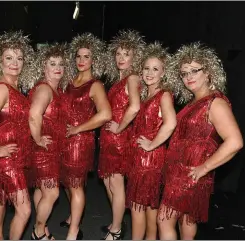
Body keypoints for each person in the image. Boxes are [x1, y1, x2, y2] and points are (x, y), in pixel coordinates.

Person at [158, 42, 243, 240]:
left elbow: (235, 141)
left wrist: (204, 168)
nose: (188, 77)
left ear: (209, 72)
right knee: (186, 220)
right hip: (183, 171)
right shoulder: (196, 101)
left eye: (194, 71)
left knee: (164, 219)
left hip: (190, 173)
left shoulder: (215, 103)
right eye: (184, 73)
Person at [0, 31, 35, 240]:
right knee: (24, 210)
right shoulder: (3, 88)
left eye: (19, 58)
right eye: (9, 58)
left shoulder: (14, 87)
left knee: (1, 199)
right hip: (6, 159)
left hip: (12, 156)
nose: (15, 63)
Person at [60, 33, 112, 240]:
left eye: (86, 56)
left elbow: (106, 114)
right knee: (66, 181)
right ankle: (74, 217)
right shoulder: (70, 81)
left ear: (94, 59)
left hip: (80, 141)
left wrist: (77, 129)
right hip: (64, 139)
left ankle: (74, 232)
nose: (81, 61)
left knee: (75, 184)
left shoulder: (95, 85)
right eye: (78, 56)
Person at [125, 42, 177, 240]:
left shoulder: (163, 95)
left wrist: (151, 144)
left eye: (155, 69)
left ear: (164, 73)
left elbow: (171, 123)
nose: (149, 73)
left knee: (139, 207)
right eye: (146, 68)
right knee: (149, 207)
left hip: (149, 160)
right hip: (146, 158)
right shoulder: (148, 94)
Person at [98, 30, 145, 240]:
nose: (121, 58)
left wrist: (119, 128)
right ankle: (117, 221)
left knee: (116, 183)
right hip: (109, 137)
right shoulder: (120, 79)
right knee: (109, 182)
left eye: (126, 54)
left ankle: (116, 230)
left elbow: (135, 107)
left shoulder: (133, 77)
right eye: (118, 54)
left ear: (135, 57)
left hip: (119, 138)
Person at [28, 43, 69, 240]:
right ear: (44, 66)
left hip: (50, 150)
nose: (58, 67)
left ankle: (43, 231)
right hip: (44, 151)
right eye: (52, 63)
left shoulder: (55, 89)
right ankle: (38, 231)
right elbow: (34, 114)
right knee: (52, 194)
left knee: (42, 191)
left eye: (61, 64)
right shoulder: (45, 88)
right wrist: (37, 138)